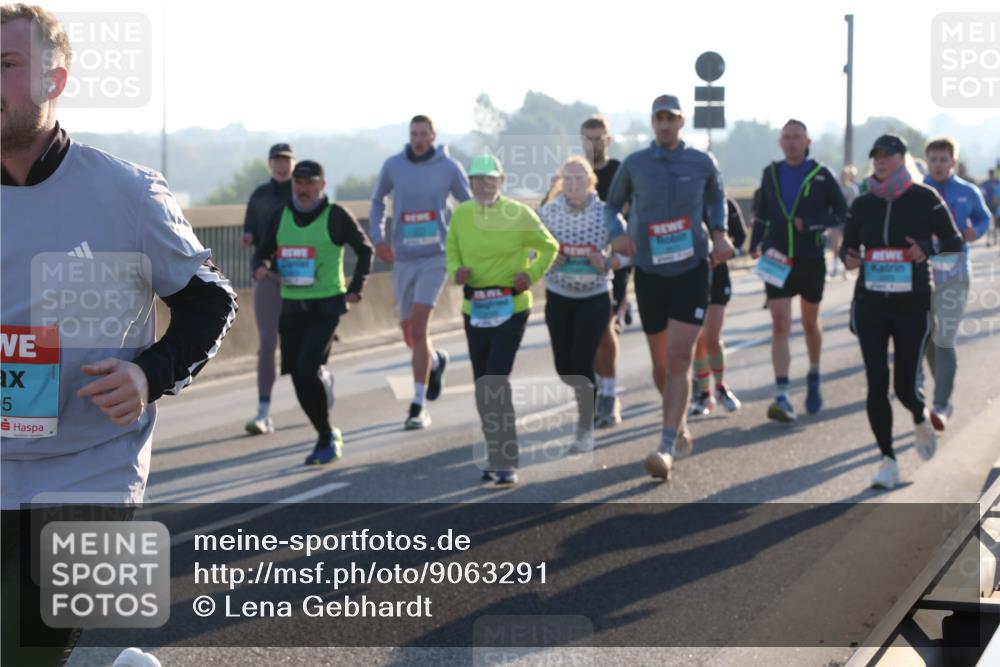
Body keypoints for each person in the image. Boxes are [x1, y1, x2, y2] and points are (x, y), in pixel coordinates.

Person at [1, 5, 237, 666]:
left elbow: (209, 301)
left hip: (92, 469)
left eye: (6, 65)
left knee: (21, 652)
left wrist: (148, 373)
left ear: (56, 81)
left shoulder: (127, 193)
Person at [603, 94, 733, 480]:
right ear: (652, 122)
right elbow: (611, 207)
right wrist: (618, 235)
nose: (664, 124)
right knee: (661, 362)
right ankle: (677, 427)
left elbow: (716, 200)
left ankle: (664, 445)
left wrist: (721, 234)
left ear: (681, 122)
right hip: (650, 271)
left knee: (679, 359)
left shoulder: (701, 162)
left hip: (692, 268)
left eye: (670, 118)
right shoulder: (635, 164)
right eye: (658, 118)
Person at [841, 134, 961, 489]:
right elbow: (847, 250)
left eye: (888, 155)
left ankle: (920, 416)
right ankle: (887, 461)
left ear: (902, 159)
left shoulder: (925, 198)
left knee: (905, 387)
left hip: (912, 305)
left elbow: (953, 248)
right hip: (870, 304)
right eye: (876, 155)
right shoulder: (862, 204)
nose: (880, 161)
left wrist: (927, 249)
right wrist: (848, 257)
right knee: (876, 384)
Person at [446, 155, 558, 485]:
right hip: (476, 309)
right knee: (483, 384)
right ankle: (494, 451)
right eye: (477, 179)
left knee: (496, 377)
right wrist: (457, 271)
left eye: (490, 179)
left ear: (502, 181)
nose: (483, 185)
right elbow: (451, 250)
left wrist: (531, 274)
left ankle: (505, 457)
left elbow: (549, 246)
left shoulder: (519, 214)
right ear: (469, 183)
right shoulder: (462, 214)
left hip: (511, 305)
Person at [253, 160, 373, 465]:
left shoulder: (336, 215)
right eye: (299, 183)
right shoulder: (281, 215)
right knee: (297, 376)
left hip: (326, 305)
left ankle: (325, 436)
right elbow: (263, 250)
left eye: (309, 183)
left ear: (323, 185)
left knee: (306, 368)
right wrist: (261, 267)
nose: (303, 189)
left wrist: (356, 286)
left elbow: (365, 249)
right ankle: (324, 428)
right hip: (292, 306)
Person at [369, 115, 472, 430]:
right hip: (403, 257)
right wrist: (378, 239)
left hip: (436, 257)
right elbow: (377, 203)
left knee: (419, 324)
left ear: (433, 135)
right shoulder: (394, 165)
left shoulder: (449, 167)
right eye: (414, 134)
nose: (419, 139)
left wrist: (460, 246)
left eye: (424, 134)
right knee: (410, 334)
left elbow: (467, 207)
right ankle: (435, 361)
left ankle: (417, 405)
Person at [750, 119, 848, 422]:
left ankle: (814, 374)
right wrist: (754, 244)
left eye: (797, 137)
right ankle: (782, 392)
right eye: (787, 137)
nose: (792, 142)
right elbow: (762, 214)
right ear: (780, 142)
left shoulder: (821, 174)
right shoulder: (771, 173)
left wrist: (813, 223)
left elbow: (841, 212)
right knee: (780, 324)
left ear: (807, 141)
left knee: (809, 322)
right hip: (776, 257)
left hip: (809, 258)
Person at [539, 156, 627, 452]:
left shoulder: (606, 214)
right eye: (568, 179)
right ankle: (597, 393)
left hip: (594, 296)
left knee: (580, 362)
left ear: (592, 183)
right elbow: (528, 252)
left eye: (579, 179)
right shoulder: (548, 213)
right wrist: (548, 259)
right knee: (565, 368)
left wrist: (605, 261)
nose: (573, 185)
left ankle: (584, 429)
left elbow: (629, 253)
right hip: (559, 295)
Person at [921, 137, 992, 431]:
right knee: (926, 338)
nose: (938, 165)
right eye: (933, 160)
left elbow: (984, 218)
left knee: (945, 338)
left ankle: (940, 404)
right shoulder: (917, 190)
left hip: (955, 273)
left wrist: (975, 231)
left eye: (943, 160)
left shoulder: (967, 191)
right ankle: (943, 389)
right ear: (927, 162)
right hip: (921, 274)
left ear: (953, 162)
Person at [242, 142, 294, 435]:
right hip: (266, 275)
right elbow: (250, 227)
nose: (282, 165)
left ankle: (321, 376)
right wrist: (248, 238)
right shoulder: (260, 195)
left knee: (299, 344)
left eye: (286, 160)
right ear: (269, 164)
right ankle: (263, 411)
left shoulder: (301, 192)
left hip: (300, 276)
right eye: (277, 160)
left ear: (294, 163)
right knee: (266, 345)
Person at [580, 115, 627, 428]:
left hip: (614, 262)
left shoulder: (620, 171)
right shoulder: (573, 173)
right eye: (588, 138)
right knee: (586, 334)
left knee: (603, 327)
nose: (593, 144)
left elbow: (632, 209)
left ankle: (608, 396)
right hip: (578, 264)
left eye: (599, 138)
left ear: (607, 141)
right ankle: (597, 390)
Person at [690, 197, 747, 416]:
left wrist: (726, 251)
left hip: (718, 277)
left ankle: (721, 387)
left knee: (711, 337)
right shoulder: (683, 199)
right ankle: (705, 394)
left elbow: (740, 237)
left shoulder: (724, 203)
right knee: (698, 341)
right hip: (692, 277)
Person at [828, 165, 859, 277]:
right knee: (835, 245)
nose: (843, 177)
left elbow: (853, 205)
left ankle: (845, 270)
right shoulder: (836, 188)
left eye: (845, 175)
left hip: (847, 220)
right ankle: (835, 267)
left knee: (846, 244)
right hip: (837, 220)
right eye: (842, 175)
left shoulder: (852, 189)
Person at [981, 168, 999, 247]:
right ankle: (989, 240)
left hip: (994, 204)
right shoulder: (986, 183)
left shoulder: (997, 182)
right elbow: (983, 193)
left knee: (994, 222)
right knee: (989, 221)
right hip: (989, 204)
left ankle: (994, 239)